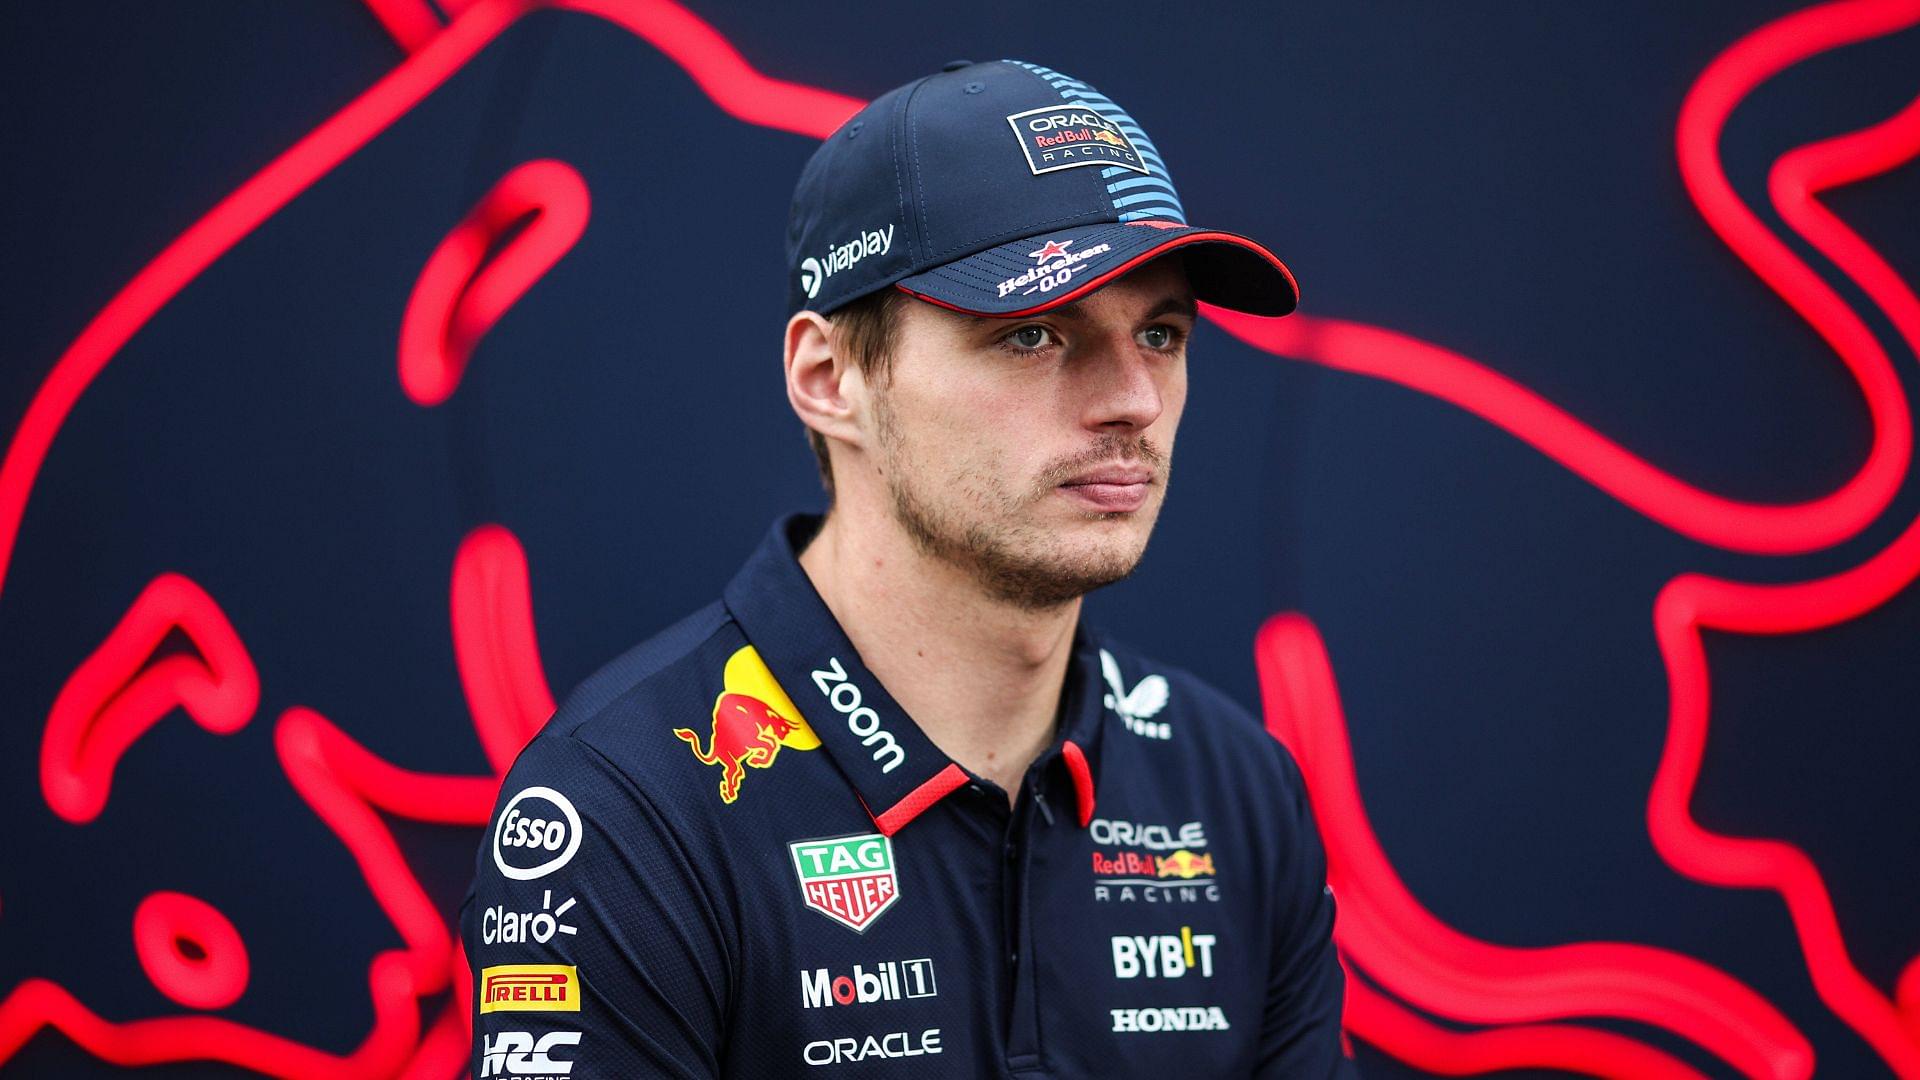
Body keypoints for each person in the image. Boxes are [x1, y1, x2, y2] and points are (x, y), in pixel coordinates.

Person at [461, 58, 1355, 1078]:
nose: (1134, 402)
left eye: (1160, 332)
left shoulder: (1234, 792)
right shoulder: (630, 811)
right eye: (1032, 333)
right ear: (829, 379)